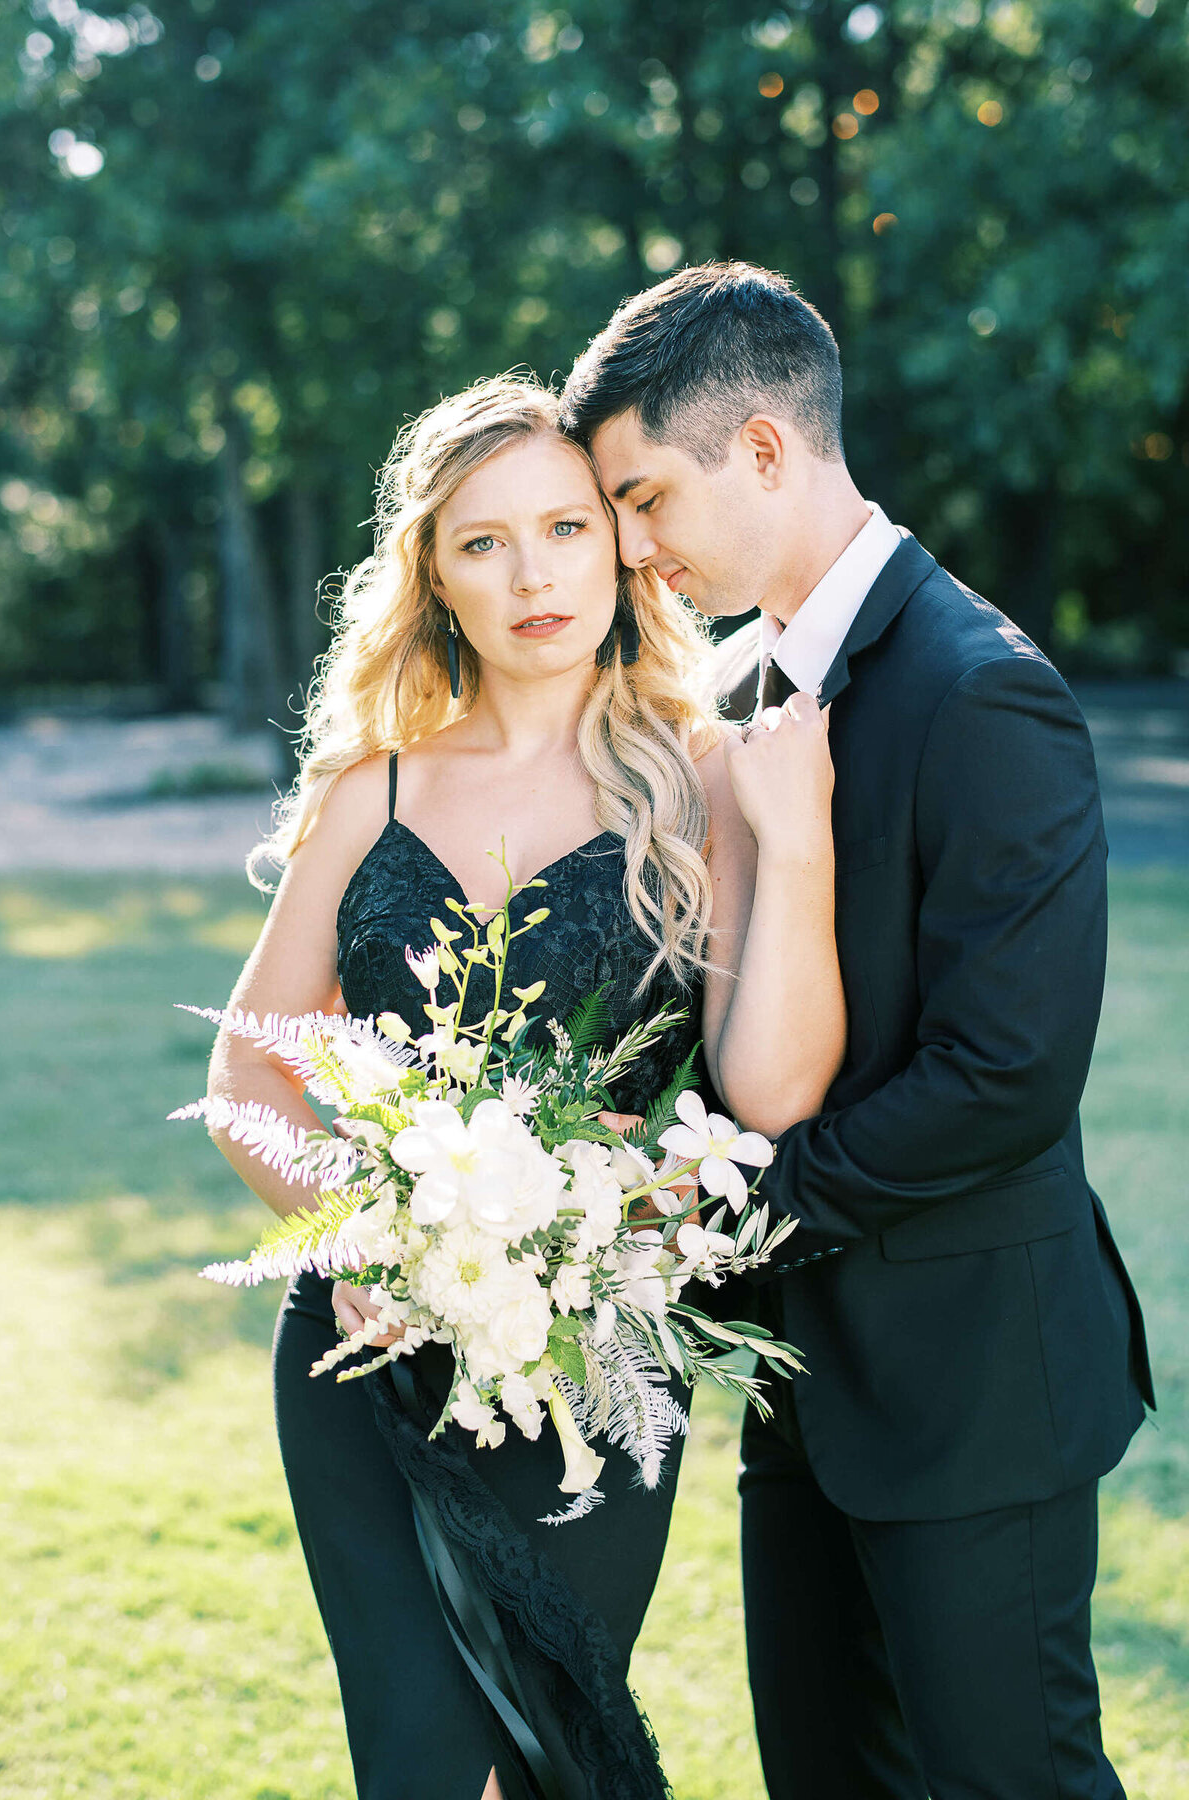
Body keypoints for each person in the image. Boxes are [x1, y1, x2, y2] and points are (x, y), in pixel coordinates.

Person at [204, 375, 845, 1800]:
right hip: (366, 1357)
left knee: (546, 1757)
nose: (534, 571)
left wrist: (794, 852)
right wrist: (368, 1230)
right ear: (432, 572)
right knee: (421, 1766)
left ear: (623, 546)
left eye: (565, 525)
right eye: (484, 541)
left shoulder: (705, 782)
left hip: (593, 1362)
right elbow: (249, 1059)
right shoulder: (368, 792)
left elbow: (770, 1090)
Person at [560, 261, 1154, 1800]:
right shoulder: (746, 688)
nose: (633, 549)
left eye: (644, 499)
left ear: (762, 449)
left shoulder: (982, 692)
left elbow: (1007, 1076)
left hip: (973, 1398)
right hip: (800, 1399)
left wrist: (735, 1208)